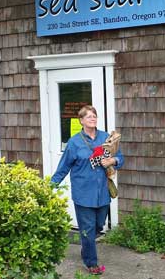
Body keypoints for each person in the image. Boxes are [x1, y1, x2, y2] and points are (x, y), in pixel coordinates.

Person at [51, 105, 124, 275]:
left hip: (103, 192)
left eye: (94, 116)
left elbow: (121, 158)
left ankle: (86, 248)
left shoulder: (107, 138)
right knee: (88, 228)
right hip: (83, 193)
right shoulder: (74, 142)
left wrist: (112, 160)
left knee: (99, 226)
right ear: (81, 120)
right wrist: (50, 186)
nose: (92, 118)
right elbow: (64, 167)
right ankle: (91, 263)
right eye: (88, 116)